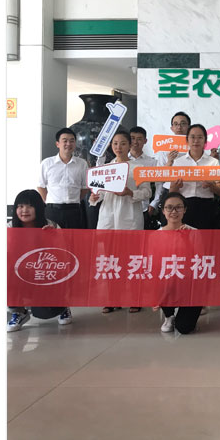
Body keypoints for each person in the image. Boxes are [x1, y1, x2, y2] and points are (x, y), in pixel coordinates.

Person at [89, 129, 151, 314]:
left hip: (129, 217)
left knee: (131, 260)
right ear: (111, 146)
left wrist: (130, 193)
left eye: (123, 143)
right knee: (110, 260)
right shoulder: (105, 168)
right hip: (108, 218)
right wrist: (94, 197)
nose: (118, 147)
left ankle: (135, 298)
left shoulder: (137, 168)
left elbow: (147, 192)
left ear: (130, 145)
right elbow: (98, 196)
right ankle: (112, 298)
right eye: (115, 143)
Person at [7, 189, 72, 331]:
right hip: (19, 273)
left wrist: (53, 238)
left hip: (43, 273)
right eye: (20, 206)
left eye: (30, 206)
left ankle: (62, 307)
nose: (24, 210)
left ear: (38, 207)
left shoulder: (51, 226)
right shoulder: (9, 228)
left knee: (44, 312)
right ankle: (18, 311)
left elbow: (64, 257)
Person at [155, 192, 203, 335]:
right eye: (169, 208)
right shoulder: (156, 235)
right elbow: (154, 266)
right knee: (162, 279)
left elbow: (200, 262)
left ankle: (187, 312)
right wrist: (153, 296)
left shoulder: (194, 232)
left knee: (184, 328)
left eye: (178, 207)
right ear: (163, 211)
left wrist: (186, 240)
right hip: (167, 282)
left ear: (184, 210)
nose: (174, 212)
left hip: (190, 284)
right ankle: (169, 316)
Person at [168, 123, 220, 229]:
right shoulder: (178, 162)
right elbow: (172, 192)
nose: (196, 141)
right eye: (192, 137)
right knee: (184, 237)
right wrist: (175, 187)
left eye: (200, 137)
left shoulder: (213, 162)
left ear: (205, 141)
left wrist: (211, 185)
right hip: (183, 207)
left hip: (206, 206)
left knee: (205, 237)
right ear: (187, 140)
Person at [37, 127, 89, 229]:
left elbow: (85, 187)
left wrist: (75, 200)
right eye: (65, 141)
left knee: (73, 238)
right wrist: (49, 201)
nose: (68, 144)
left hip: (74, 210)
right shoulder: (47, 163)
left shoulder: (82, 164)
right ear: (57, 144)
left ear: (75, 144)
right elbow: (41, 186)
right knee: (52, 238)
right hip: (52, 210)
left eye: (72, 141)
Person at [148, 110, 191, 219]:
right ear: (172, 128)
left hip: (190, 191)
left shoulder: (195, 146)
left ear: (189, 126)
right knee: (168, 226)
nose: (179, 127)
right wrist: (169, 162)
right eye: (176, 124)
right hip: (169, 191)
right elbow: (159, 177)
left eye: (183, 124)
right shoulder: (165, 147)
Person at [129, 126, 157, 229]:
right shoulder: (120, 161)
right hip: (125, 207)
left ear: (145, 141)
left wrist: (154, 203)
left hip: (144, 208)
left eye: (139, 139)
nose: (135, 142)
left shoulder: (152, 162)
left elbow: (159, 185)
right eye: (132, 138)